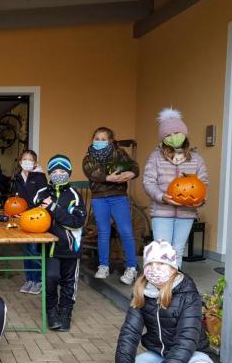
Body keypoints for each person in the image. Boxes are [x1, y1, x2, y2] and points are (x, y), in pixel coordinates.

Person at [108, 240, 218, 363]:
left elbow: (185, 344)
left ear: (174, 268)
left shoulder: (188, 295)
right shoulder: (141, 291)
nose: (155, 268)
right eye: (150, 263)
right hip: (158, 353)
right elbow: (130, 332)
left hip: (191, 353)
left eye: (161, 263)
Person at [143, 108, 209, 268]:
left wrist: (199, 202)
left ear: (184, 134)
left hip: (187, 213)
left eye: (176, 133)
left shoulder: (196, 159)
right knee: (161, 253)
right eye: (168, 135)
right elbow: (148, 181)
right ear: (163, 138)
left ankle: (173, 288)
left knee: (178, 251)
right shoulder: (155, 157)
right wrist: (161, 196)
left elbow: (203, 184)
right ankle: (158, 288)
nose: (173, 137)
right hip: (161, 212)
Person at [33, 154, 86, 332]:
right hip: (50, 249)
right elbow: (32, 217)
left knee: (69, 282)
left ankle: (65, 312)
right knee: (50, 278)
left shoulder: (74, 196)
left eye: (62, 170)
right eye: (54, 171)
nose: (58, 174)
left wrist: (53, 207)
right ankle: (51, 311)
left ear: (69, 172)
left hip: (71, 248)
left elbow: (76, 221)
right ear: (49, 173)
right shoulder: (41, 194)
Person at [82, 127, 140, 284]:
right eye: (97, 139)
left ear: (111, 141)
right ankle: (103, 265)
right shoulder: (88, 158)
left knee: (126, 231)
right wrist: (108, 178)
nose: (99, 141)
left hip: (118, 197)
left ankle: (131, 267)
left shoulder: (120, 153)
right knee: (103, 232)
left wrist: (132, 173)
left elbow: (134, 166)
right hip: (99, 198)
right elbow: (91, 173)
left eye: (103, 139)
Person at [12, 149, 48, 294]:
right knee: (26, 250)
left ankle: (38, 280)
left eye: (30, 160)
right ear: (20, 163)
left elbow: (43, 197)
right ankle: (29, 279)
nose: (27, 162)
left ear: (35, 163)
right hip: (23, 218)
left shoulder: (40, 177)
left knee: (34, 249)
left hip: (36, 218)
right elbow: (18, 198)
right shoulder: (18, 177)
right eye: (24, 159)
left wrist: (30, 210)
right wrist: (17, 211)